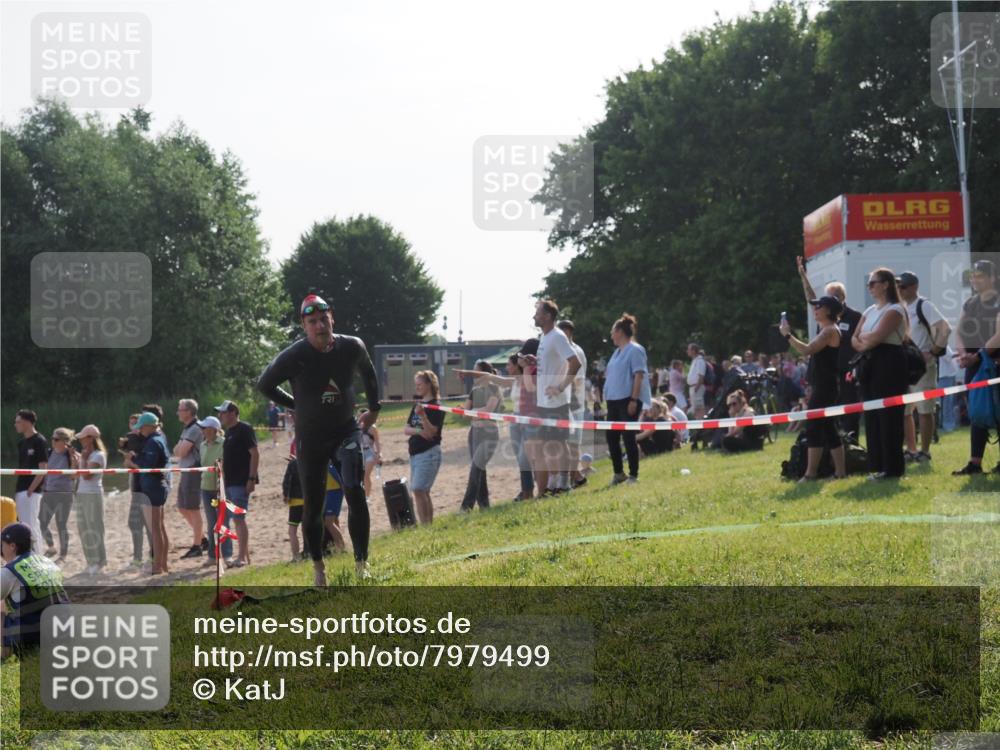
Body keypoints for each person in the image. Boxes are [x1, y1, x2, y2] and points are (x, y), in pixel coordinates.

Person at [257, 294, 381, 584]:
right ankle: (318, 569)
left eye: (323, 319)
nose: (319, 326)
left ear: (332, 318)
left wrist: (374, 408)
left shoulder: (352, 346)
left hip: (345, 430)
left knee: (354, 489)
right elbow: (265, 385)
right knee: (313, 505)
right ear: (305, 326)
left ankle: (362, 565)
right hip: (311, 438)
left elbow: (369, 372)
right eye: (312, 322)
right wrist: (295, 405)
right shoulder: (294, 356)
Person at [852, 267, 909, 480]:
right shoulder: (869, 311)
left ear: (885, 284)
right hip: (870, 364)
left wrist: (865, 339)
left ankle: (893, 468)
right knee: (872, 416)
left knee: (889, 417)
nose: (870, 287)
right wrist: (865, 340)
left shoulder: (895, 309)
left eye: (873, 283)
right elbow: (854, 339)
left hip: (890, 364)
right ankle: (876, 465)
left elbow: (876, 337)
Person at [780, 296, 846, 481]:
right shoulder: (826, 329)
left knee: (814, 428)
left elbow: (807, 350)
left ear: (829, 311)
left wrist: (787, 335)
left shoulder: (829, 331)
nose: (815, 309)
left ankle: (811, 473)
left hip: (826, 386)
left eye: (820, 306)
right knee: (828, 428)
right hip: (824, 385)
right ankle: (840, 473)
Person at [798, 257, 864, 437]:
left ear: (842, 298)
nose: (822, 304)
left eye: (833, 297)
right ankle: (832, 449)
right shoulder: (824, 316)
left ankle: (852, 442)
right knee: (826, 417)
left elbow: (861, 343)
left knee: (850, 410)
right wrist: (804, 277)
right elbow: (811, 299)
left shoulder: (856, 317)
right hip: (826, 373)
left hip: (847, 371)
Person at [896, 272, 951, 463]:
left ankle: (925, 451)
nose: (899, 290)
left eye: (902, 286)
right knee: (904, 410)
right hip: (904, 365)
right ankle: (911, 449)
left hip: (923, 366)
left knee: (925, 410)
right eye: (897, 287)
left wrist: (934, 351)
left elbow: (945, 328)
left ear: (913, 287)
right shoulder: (900, 308)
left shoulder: (924, 305)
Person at [952, 260, 1000, 475]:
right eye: (973, 276)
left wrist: (978, 355)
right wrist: (963, 354)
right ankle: (974, 463)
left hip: (994, 364)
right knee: (977, 413)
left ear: (993, 278)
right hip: (974, 365)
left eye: (980, 275)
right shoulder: (970, 303)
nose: (975, 279)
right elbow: (959, 331)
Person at [532, 300, 582, 496]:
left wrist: (560, 387)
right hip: (543, 402)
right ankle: (555, 483)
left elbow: (575, 363)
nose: (534, 315)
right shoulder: (545, 337)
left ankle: (565, 484)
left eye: (537, 312)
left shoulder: (557, 336)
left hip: (557, 402)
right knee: (548, 446)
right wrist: (533, 361)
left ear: (547, 316)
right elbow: (552, 363)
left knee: (560, 444)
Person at [1, 523, 68, 661]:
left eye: (2, 545)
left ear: (12, 546)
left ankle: (4, 657)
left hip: (34, 639)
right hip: (65, 632)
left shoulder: (9, 572)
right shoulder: (48, 563)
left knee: (3, 607)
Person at [603, 313, 651, 485]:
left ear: (620, 332)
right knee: (611, 437)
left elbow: (638, 375)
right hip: (613, 400)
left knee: (628, 436)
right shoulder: (616, 352)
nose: (611, 335)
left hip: (628, 399)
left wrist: (633, 399)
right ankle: (618, 473)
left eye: (612, 331)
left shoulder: (635, 350)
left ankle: (633, 474)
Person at [124, 412, 171, 574]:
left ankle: (157, 567)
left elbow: (147, 466)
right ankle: (162, 565)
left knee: (155, 529)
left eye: (141, 427)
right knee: (159, 527)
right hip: (156, 485)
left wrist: (131, 462)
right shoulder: (158, 439)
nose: (140, 431)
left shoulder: (153, 442)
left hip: (153, 487)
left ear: (149, 427)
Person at [214, 401, 258, 568]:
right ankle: (243, 556)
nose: (221, 416)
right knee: (235, 520)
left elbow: (255, 453)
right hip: (230, 482)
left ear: (232, 412)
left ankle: (241, 557)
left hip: (241, 481)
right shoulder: (230, 432)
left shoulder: (244, 429)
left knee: (239, 519)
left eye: (223, 413)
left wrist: (252, 478)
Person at [460, 360, 502, 511]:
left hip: (489, 434)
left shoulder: (493, 389)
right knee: (479, 470)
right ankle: (485, 506)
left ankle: (466, 507)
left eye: (475, 371)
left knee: (476, 468)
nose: (473, 374)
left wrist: (473, 413)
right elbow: (466, 413)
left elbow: (488, 411)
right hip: (474, 433)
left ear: (484, 373)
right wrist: (475, 413)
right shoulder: (474, 390)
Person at [404, 371, 445, 522]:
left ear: (429, 384)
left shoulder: (436, 406)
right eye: (416, 385)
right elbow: (406, 429)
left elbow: (432, 433)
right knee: (421, 491)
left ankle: (426, 526)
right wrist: (419, 431)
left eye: (420, 384)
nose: (417, 387)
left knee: (419, 489)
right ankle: (428, 526)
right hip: (415, 454)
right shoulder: (418, 405)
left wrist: (422, 416)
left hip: (429, 453)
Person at [557, 319, 588, 489]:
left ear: (568, 332)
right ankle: (576, 476)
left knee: (573, 444)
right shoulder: (563, 350)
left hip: (574, 402)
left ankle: (573, 477)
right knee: (564, 443)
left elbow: (578, 379)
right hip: (562, 401)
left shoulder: (576, 351)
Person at [174, 399, 207, 560]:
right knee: (182, 507)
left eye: (180, 409)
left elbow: (181, 451)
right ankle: (203, 539)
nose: (177, 412)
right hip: (186, 470)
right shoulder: (187, 428)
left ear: (188, 411)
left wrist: (180, 449)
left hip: (193, 470)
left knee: (193, 508)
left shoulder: (195, 428)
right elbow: (177, 450)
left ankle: (197, 546)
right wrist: (179, 449)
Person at [38, 427, 77, 562]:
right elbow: (45, 473)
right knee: (41, 522)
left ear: (64, 441)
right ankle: (51, 546)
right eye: (52, 439)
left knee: (61, 524)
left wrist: (73, 457)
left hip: (64, 493)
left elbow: (73, 476)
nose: (52, 442)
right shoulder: (49, 453)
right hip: (48, 492)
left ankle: (63, 554)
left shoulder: (70, 454)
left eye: (55, 439)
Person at [197, 415, 231, 566]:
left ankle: (227, 555)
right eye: (202, 428)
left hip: (221, 488)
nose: (202, 430)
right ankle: (212, 556)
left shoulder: (224, 443)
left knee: (223, 522)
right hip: (206, 488)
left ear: (213, 429)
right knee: (211, 523)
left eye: (204, 428)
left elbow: (227, 464)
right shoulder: (202, 445)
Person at [119, 413, 152, 571]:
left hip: (145, 488)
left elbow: (138, 463)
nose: (133, 427)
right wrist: (127, 458)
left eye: (136, 424)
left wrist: (131, 461)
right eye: (131, 424)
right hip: (135, 488)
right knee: (134, 524)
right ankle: (137, 558)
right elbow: (127, 460)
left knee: (149, 524)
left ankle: (152, 557)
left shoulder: (146, 441)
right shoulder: (131, 440)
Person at [74, 424, 107, 576]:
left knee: (94, 528)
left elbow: (87, 475)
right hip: (82, 493)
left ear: (91, 438)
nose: (80, 440)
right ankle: (91, 561)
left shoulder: (98, 455)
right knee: (83, 528)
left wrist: (84, 458)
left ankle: (98, 561)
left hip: (92, 495)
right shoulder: (87, 455)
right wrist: (78, 458)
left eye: (83, 437)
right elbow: (77, 474)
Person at [13, 410, 47, 554]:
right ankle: (30, 554)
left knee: (31, 524)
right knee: (24, 524)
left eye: (18, 421)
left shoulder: (39, 440)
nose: (16, 425)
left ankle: (38, 555)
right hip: (21, 489)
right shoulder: (22, 443)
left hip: (31, 491)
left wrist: (31, 489)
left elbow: (43, 468)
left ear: (27, 422)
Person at [282, 442, 305, 562]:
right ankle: (308, 552)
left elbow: (287, 481)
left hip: (296, 501)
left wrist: (286, 495)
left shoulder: (293, 463)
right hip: (309, 500)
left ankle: (296, 557)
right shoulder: (311, 462)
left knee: (292, 531)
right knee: (307, 528)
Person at [357, 409, 382, 498]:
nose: (359, 417)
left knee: (366, 475)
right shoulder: (356, 427)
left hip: (370, 453)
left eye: (361, 415)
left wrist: (378, 455)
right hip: (359, 453)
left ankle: (367, 496)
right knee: (360, 476)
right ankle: (362, 494)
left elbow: (377, 442)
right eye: (358, 415)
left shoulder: (372, 428)